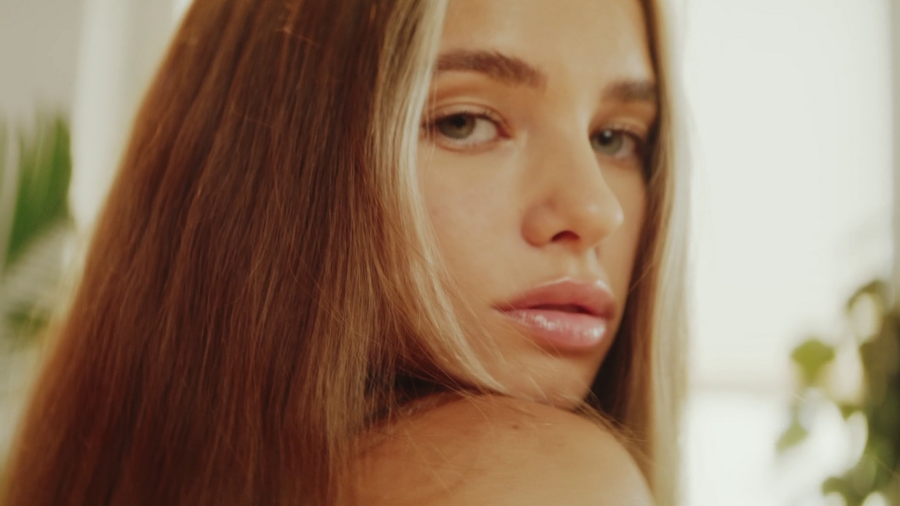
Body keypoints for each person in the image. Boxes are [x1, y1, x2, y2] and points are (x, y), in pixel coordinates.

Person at [1, 0, 689, 504]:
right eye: (464, 122)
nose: (596, 210)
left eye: (616, 137)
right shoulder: (541, 483)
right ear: (274, 171)